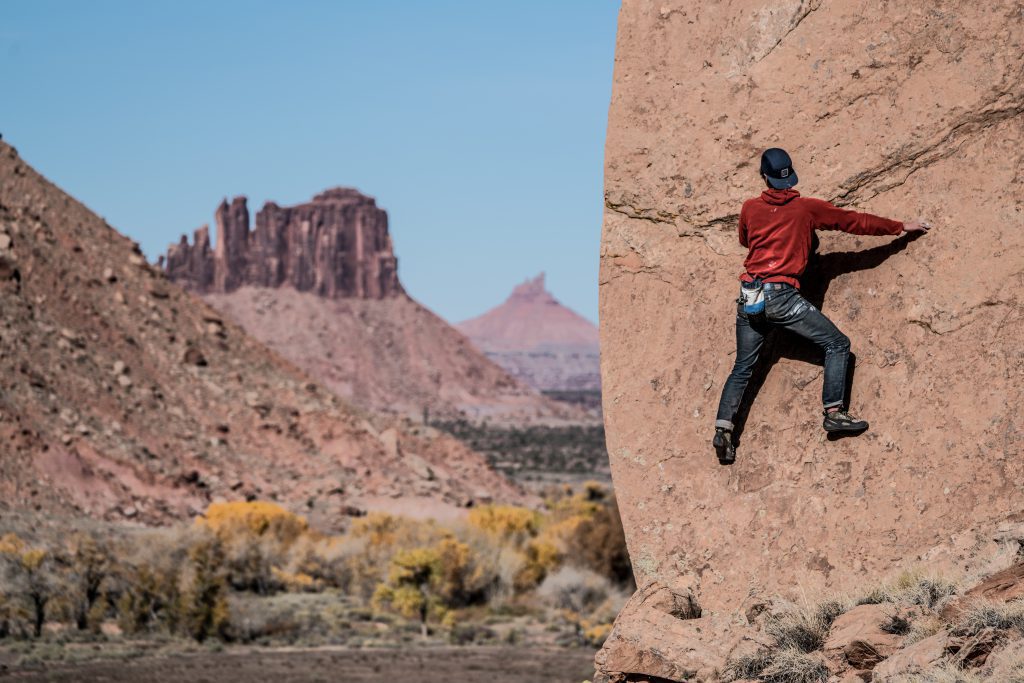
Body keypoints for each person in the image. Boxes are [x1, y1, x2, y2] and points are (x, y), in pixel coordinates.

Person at [712, 148, 931, 464]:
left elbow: (746, 240)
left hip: (750, 293)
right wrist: (899, 226)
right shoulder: (806, 209)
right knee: (838, 344)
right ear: (788, 175)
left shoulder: (749, 208)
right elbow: (852, 221)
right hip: (780, 295)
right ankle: (834, 413)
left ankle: (723, 429)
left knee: (743, 366)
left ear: (764, 177)